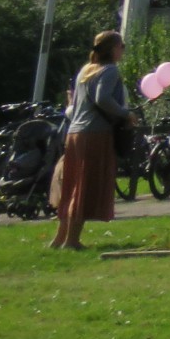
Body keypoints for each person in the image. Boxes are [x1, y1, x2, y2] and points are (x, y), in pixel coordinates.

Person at [50, 31, 130, 250]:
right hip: (95, 134)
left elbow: (75, 105)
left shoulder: (86, 70)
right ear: (113, 48)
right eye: (121, 46)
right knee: (85, 187)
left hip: (75, 133)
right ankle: (72, 241)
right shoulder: (110, 70)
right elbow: (102, 98)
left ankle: (59, 238)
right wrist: (125, 113)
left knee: (72, 184)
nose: (123, 49)